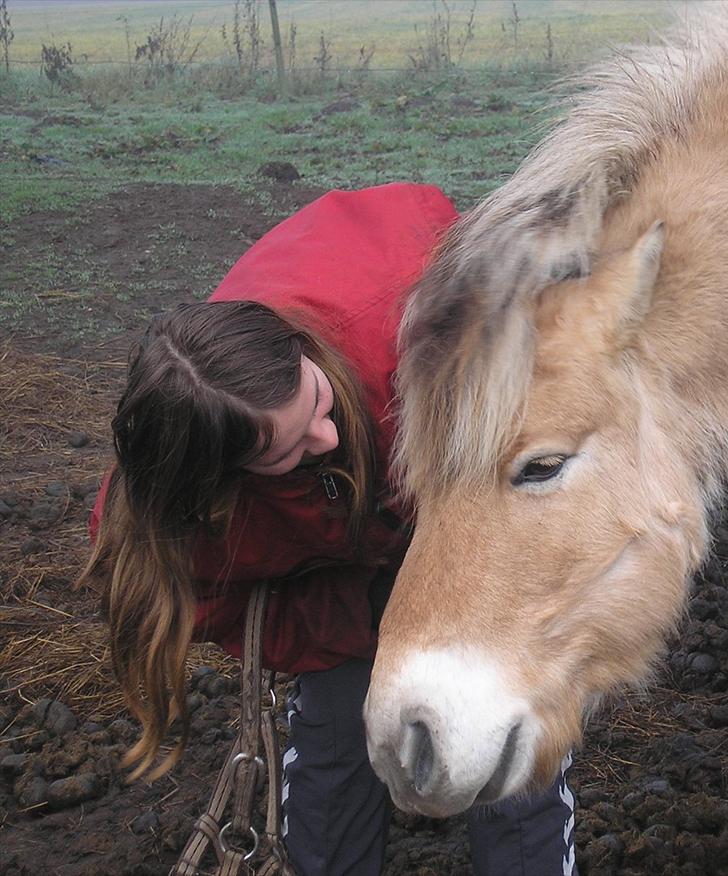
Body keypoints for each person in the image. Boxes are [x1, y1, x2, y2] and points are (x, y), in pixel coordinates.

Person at [79, 183, 579, 876]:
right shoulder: (168, 526)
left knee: (504, 729)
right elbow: (217, 608)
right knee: (338, 731)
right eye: (287, 448)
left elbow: (525, 462)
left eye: (314, 401)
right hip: (334, 584)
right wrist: (354, 622)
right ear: (222, 480)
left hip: (457, 513)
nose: (322, 432)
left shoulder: (408, 343)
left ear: (297, 351)